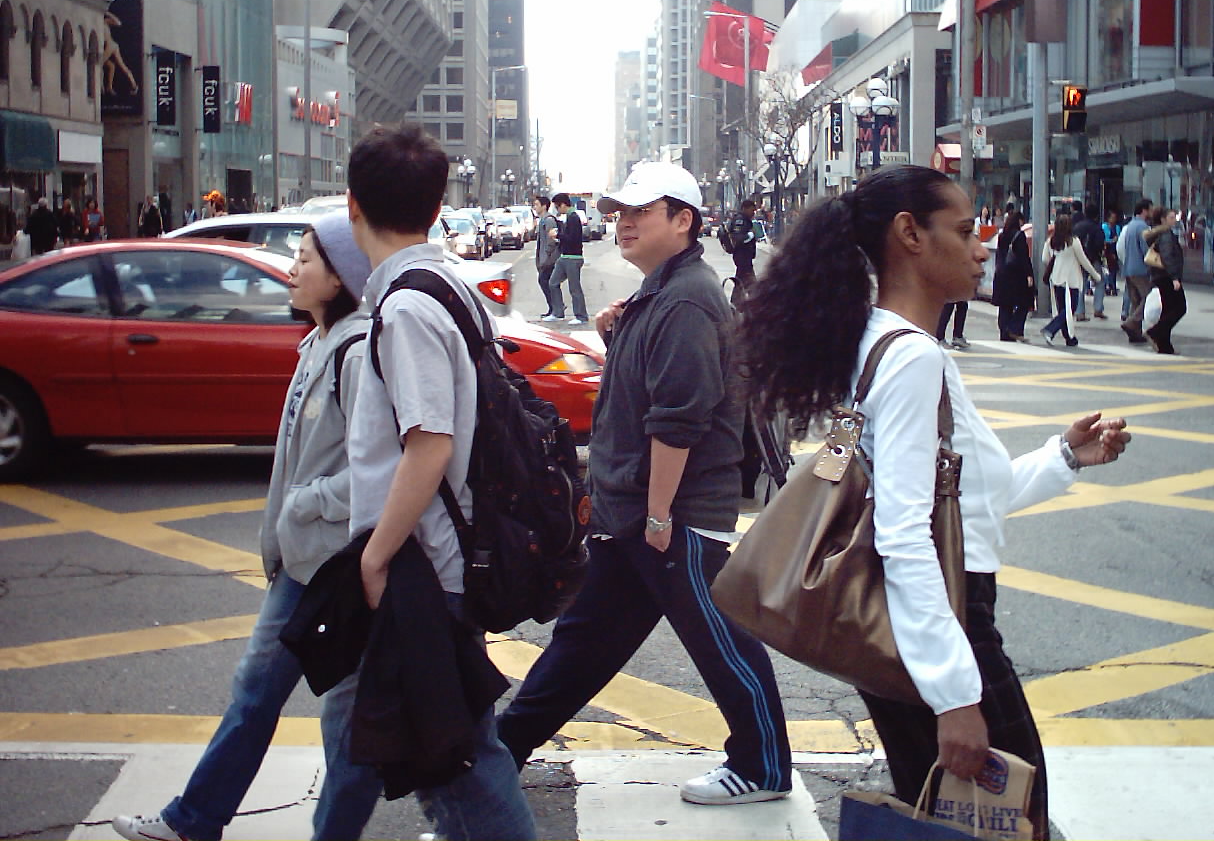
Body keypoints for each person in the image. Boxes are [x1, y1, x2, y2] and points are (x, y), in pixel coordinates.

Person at [737, 165, 1130, 841]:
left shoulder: (890, 347)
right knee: (1014, 819)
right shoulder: (912, 358)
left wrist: (1064, 457)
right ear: (909, 235)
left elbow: (971, 501)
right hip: (945, 622)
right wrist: (955, 696)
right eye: (962, 228)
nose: (982, 245)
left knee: (952, 821)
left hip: (914, 626)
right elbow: (905, 537)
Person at [498, 162, 793, 807]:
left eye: (641, 212)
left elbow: (679, 419)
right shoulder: (660, 294)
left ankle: (764, 765)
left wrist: (659, 515)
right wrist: (615, 330)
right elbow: (647, 389)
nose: (623, 222)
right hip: (633, 512)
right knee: (585, 640)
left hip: (672, 517)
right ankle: (502, 749)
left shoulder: (686, 297)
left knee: (720, 640)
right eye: (620, 211)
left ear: (683, 221)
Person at [111, 213, 381, 841]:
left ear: (338, 276)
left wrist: (307, 505)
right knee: (280, 699)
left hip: (332, 564)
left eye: (306, 259)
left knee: (324, 711)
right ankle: (198, 820)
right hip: (304, 557)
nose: (292, 269)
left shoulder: (358, 353)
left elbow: (383, 468)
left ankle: (200, 821)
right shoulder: (317, 344)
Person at [345, 123, 535, 841]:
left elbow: (428, 445)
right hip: (446, 549)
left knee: (457, 759)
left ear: (354, 204)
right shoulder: (447, 281)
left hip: (427, 561)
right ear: (437, 204)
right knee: (446, 746)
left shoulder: (409, 305)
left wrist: (376, 556)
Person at [1041, 214, 1102, 347]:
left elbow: (1044, 259)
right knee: (1070, 309)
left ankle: (1069, 338)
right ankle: (1050, 329)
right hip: (1071, 280)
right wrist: (1095, 275)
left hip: (1056, 279)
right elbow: (1083, 261)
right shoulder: (1073, 241)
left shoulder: (1050, 241)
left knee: (1063, 309)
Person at [1143, 206, 1185, 355]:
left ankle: (1164, 345)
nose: (1174, 220)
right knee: (1180, 308)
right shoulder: (1166, 235)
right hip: (1167, 277)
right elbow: (1167, 257)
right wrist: (1174, 277)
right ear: (1163, 219)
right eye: (1171, 217)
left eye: (1175, 217)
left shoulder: (1162, 233)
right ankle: (1155, 332)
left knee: (1168, 310)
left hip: (1162, 276)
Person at [993, 209, 1034, 342]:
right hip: (1015, 275)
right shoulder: (1019, 236)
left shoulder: (1002, 235)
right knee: (1025, 302)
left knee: (1005, 305)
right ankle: (1014, 328)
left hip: (1001, 274)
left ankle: (1004, 332)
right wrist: (1029, 274)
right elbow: (1023, 257)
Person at [549, 192, 588, 324]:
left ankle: (581, 316)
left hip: (573, 257)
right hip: (565, 256)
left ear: (563, 205)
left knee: (574, 288)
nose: (557, 209)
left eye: (557, 206)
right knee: (553, 283)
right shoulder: (569, 217)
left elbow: (573, 239)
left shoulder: (573, 218)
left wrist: (558, 235)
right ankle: (558, 312)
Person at [1118, 198, 1154, 343]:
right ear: (1144, 210)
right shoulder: (1143, 228)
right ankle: (1131, 322)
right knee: (1147, 298)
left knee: (1135, 301)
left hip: (1128, 267)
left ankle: (1135, 333)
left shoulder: (1130, 226)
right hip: (1140, 269)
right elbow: (1147, 250)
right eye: (1150, 209)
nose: (1151, 212)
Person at [1072, 204, 1107, 321]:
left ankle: (1079, 312)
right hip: (1093, 259)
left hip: (1079, 259)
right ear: (1097, 215)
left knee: (1080, 285)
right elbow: (1099, 245)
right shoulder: (1097, 228)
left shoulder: (1077, 227)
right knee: (1100, 282)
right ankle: (1098, 309)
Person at [533, 194, 563, 320]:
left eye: (537, 205)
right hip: (545, 257)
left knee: (546, 281)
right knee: (546, 282)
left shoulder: (549, 220)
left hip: (550, 259)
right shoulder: (543, 220)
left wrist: (548, 254)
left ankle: (556, 308)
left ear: (544, 206)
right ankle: (554, 308)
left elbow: (552, 240)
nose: (535, 207)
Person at [726, 198, 759, 307]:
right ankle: (756, 303)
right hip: (742, 256)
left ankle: (736, 302)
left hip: (745, 256)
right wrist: (750, 235)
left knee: (741, 280)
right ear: (745, 208)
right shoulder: (740, 220)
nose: (753, 213)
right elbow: (738, 238)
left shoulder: (745, 219)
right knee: (749, 280)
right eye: (751, 210)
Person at [1101, 209, 1120, 297]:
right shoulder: (1104, 226)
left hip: (1114, 249)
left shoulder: (1117, 227)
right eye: (1112, 218)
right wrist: (1111, 241)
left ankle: (1113, 286)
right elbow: (1104, 238)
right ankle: (1107, 286)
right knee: (1106, 270)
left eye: (1115, 218)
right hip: (1106, 249)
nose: (1114, 219)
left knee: (1114, 270)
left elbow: (1118, 237)